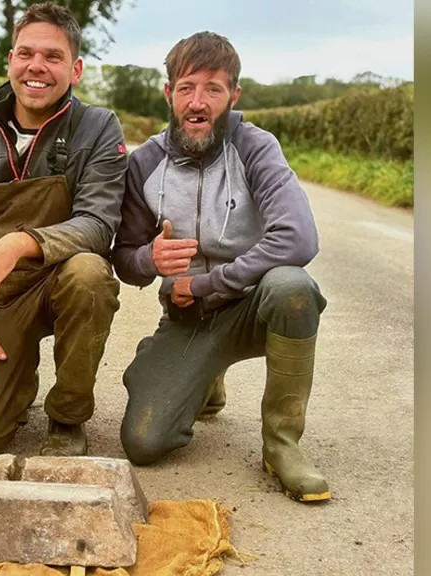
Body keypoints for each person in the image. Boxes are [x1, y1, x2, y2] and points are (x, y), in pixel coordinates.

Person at [111, 32, 331, 502]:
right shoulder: (144, 163)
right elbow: (125, 259)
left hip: (252, 307)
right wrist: (149, 258)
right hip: (187, 316)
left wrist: (207, 282)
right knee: (143, 442)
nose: (198, 102)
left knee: (293, 287)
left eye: (213, 88)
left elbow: (298, 236)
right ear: (168, 94)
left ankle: (282, 444)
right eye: (187, 87)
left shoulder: (256, 147)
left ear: (234, 94)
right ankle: (204, 377)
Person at [0, 2, 127, 457]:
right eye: (26, 54)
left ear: (75, 70)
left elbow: (98, 224)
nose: (37, 66)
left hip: (61, 281)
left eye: (53, 56)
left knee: (90, 275)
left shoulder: (98, 127)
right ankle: (17, 377)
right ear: (10, 60)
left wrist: (20, 242)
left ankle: (67, 415)